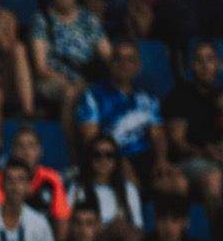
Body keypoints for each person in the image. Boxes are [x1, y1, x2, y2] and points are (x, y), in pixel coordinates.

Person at [76, 40, 177, 192]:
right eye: (118, 59)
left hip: (144, 157)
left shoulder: (148, 98)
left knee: (176, 183)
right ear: (110, 64)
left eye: (130, 60)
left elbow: (157, 134)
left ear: (138, 66)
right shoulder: (93, 95)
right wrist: (119, 160)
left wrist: (161, 160)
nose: (124, 64)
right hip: (110, 158)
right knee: (130, 182)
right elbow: (91, 138)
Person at [30, 0, 110, 136]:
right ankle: (70, 152)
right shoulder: (42, 19)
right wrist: (72, 81)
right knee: (71, 92)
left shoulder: (89, 19)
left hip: (87, 77)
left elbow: (108, 55)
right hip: (54, 79)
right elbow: (41, 67)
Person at [163, 40, 223, 216]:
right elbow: (178, 143)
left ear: (218, 65)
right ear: (191, 66)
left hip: (218, 158)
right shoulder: (179, 96)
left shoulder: (220, 96)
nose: (205, 66)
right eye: (199, 60)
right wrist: (205, 152)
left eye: (210, 59)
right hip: (191, 160)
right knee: (213, 179)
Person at [0, 123, 69, 239]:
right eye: (20, 146)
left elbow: (61, 222)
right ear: (13, 151)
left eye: (31, 146)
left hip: (43, 239)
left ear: (40, 151)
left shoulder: (52, 178)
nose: (26, 152)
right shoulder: (0, 176)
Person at [67, 131, 144, 241]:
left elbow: (138, 227)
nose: (103, 160)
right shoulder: (77, 188)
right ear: (90, 158)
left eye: (109, 155)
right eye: (97, 155)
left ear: (116, 160)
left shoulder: (128, 189)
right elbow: (67, 225)